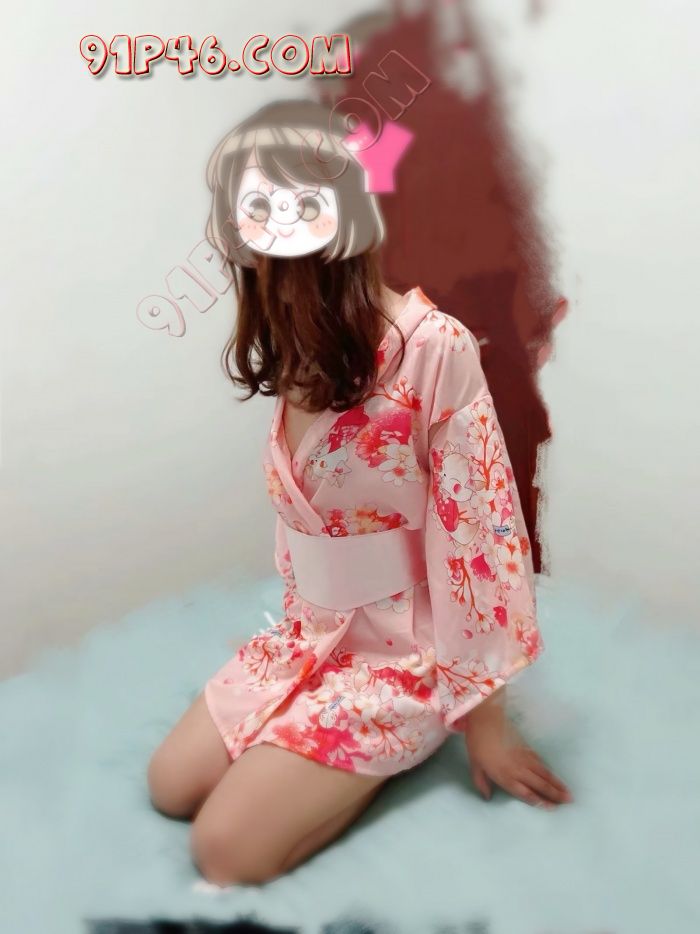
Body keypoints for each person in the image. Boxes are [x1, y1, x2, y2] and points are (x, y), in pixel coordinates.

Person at [147, 98, 573, 887]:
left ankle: (404, 739)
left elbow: (479, 536)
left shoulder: (433, 349)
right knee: (170, 786)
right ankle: (307, 746)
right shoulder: (299, 339)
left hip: (403, 654)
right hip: (310, 636)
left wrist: (484, 717)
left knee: (224, 852)